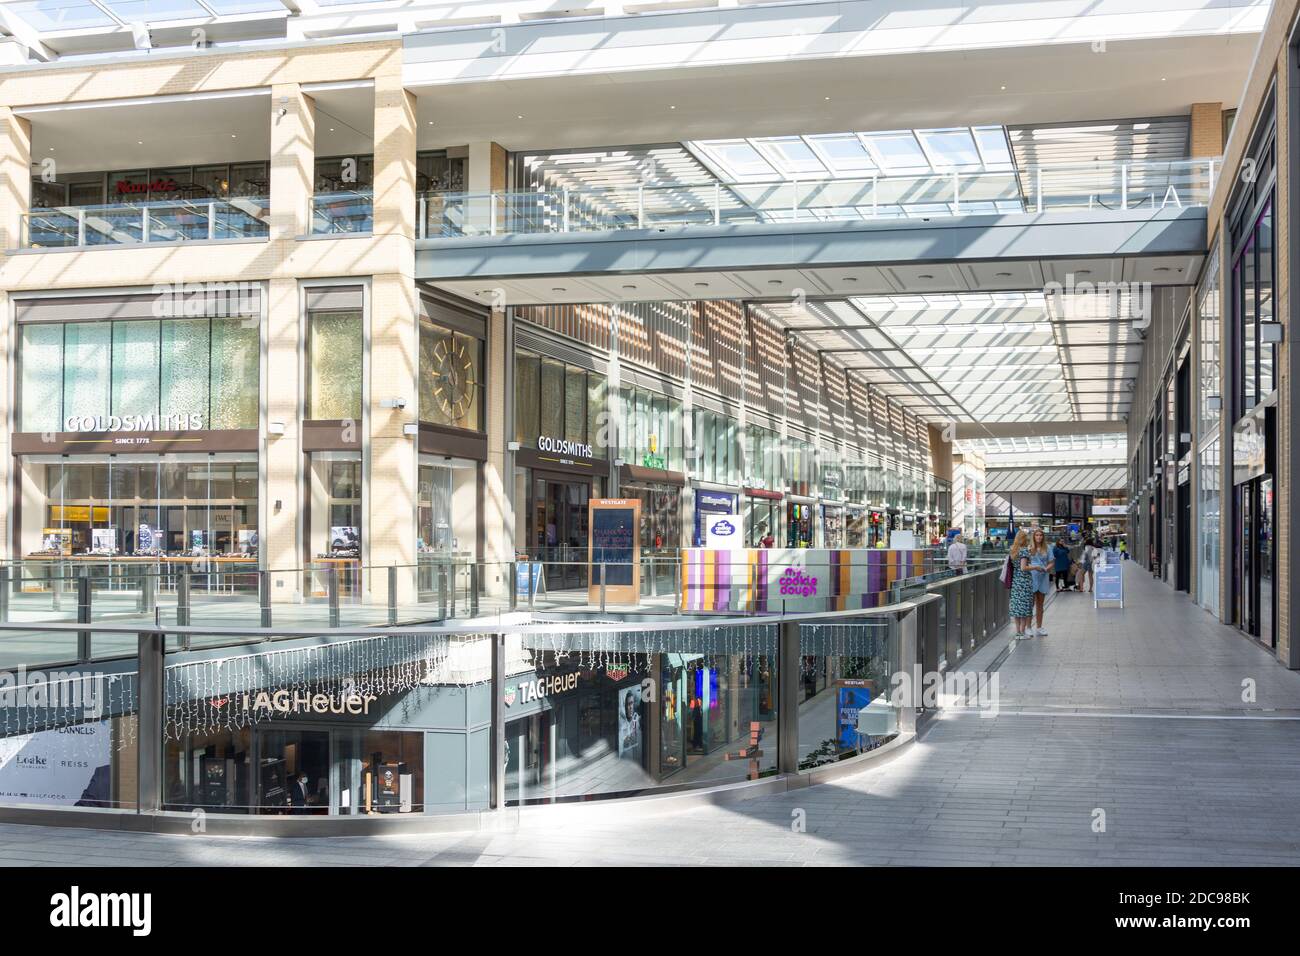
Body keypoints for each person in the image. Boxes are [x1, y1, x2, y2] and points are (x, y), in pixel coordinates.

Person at [1024, 527, 1052, 637]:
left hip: (1043, 577)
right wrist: (1035, 567)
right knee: (1030, 604)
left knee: (1040, 604)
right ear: (1033, 537)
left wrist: (1046, 568)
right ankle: (1028, 627)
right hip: (1031, 577)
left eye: (1040, 535)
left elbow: (1051, 562)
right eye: (1037, 535)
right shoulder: (1029, 548)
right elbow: (1024, 564)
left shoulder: (1048, 548)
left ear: (1043, 537)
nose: (1039, 537)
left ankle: (1039, 627)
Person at [1008, 529, 1035, 639]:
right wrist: (1035, 567)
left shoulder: (1013, 550)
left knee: (1017, 608)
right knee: (1024, 608)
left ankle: (1018, 632)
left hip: (1016, 581)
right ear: (1024, 539)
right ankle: (1022, 633)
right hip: (1024, 582)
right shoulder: (1024, 551)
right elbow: (1024, 567)